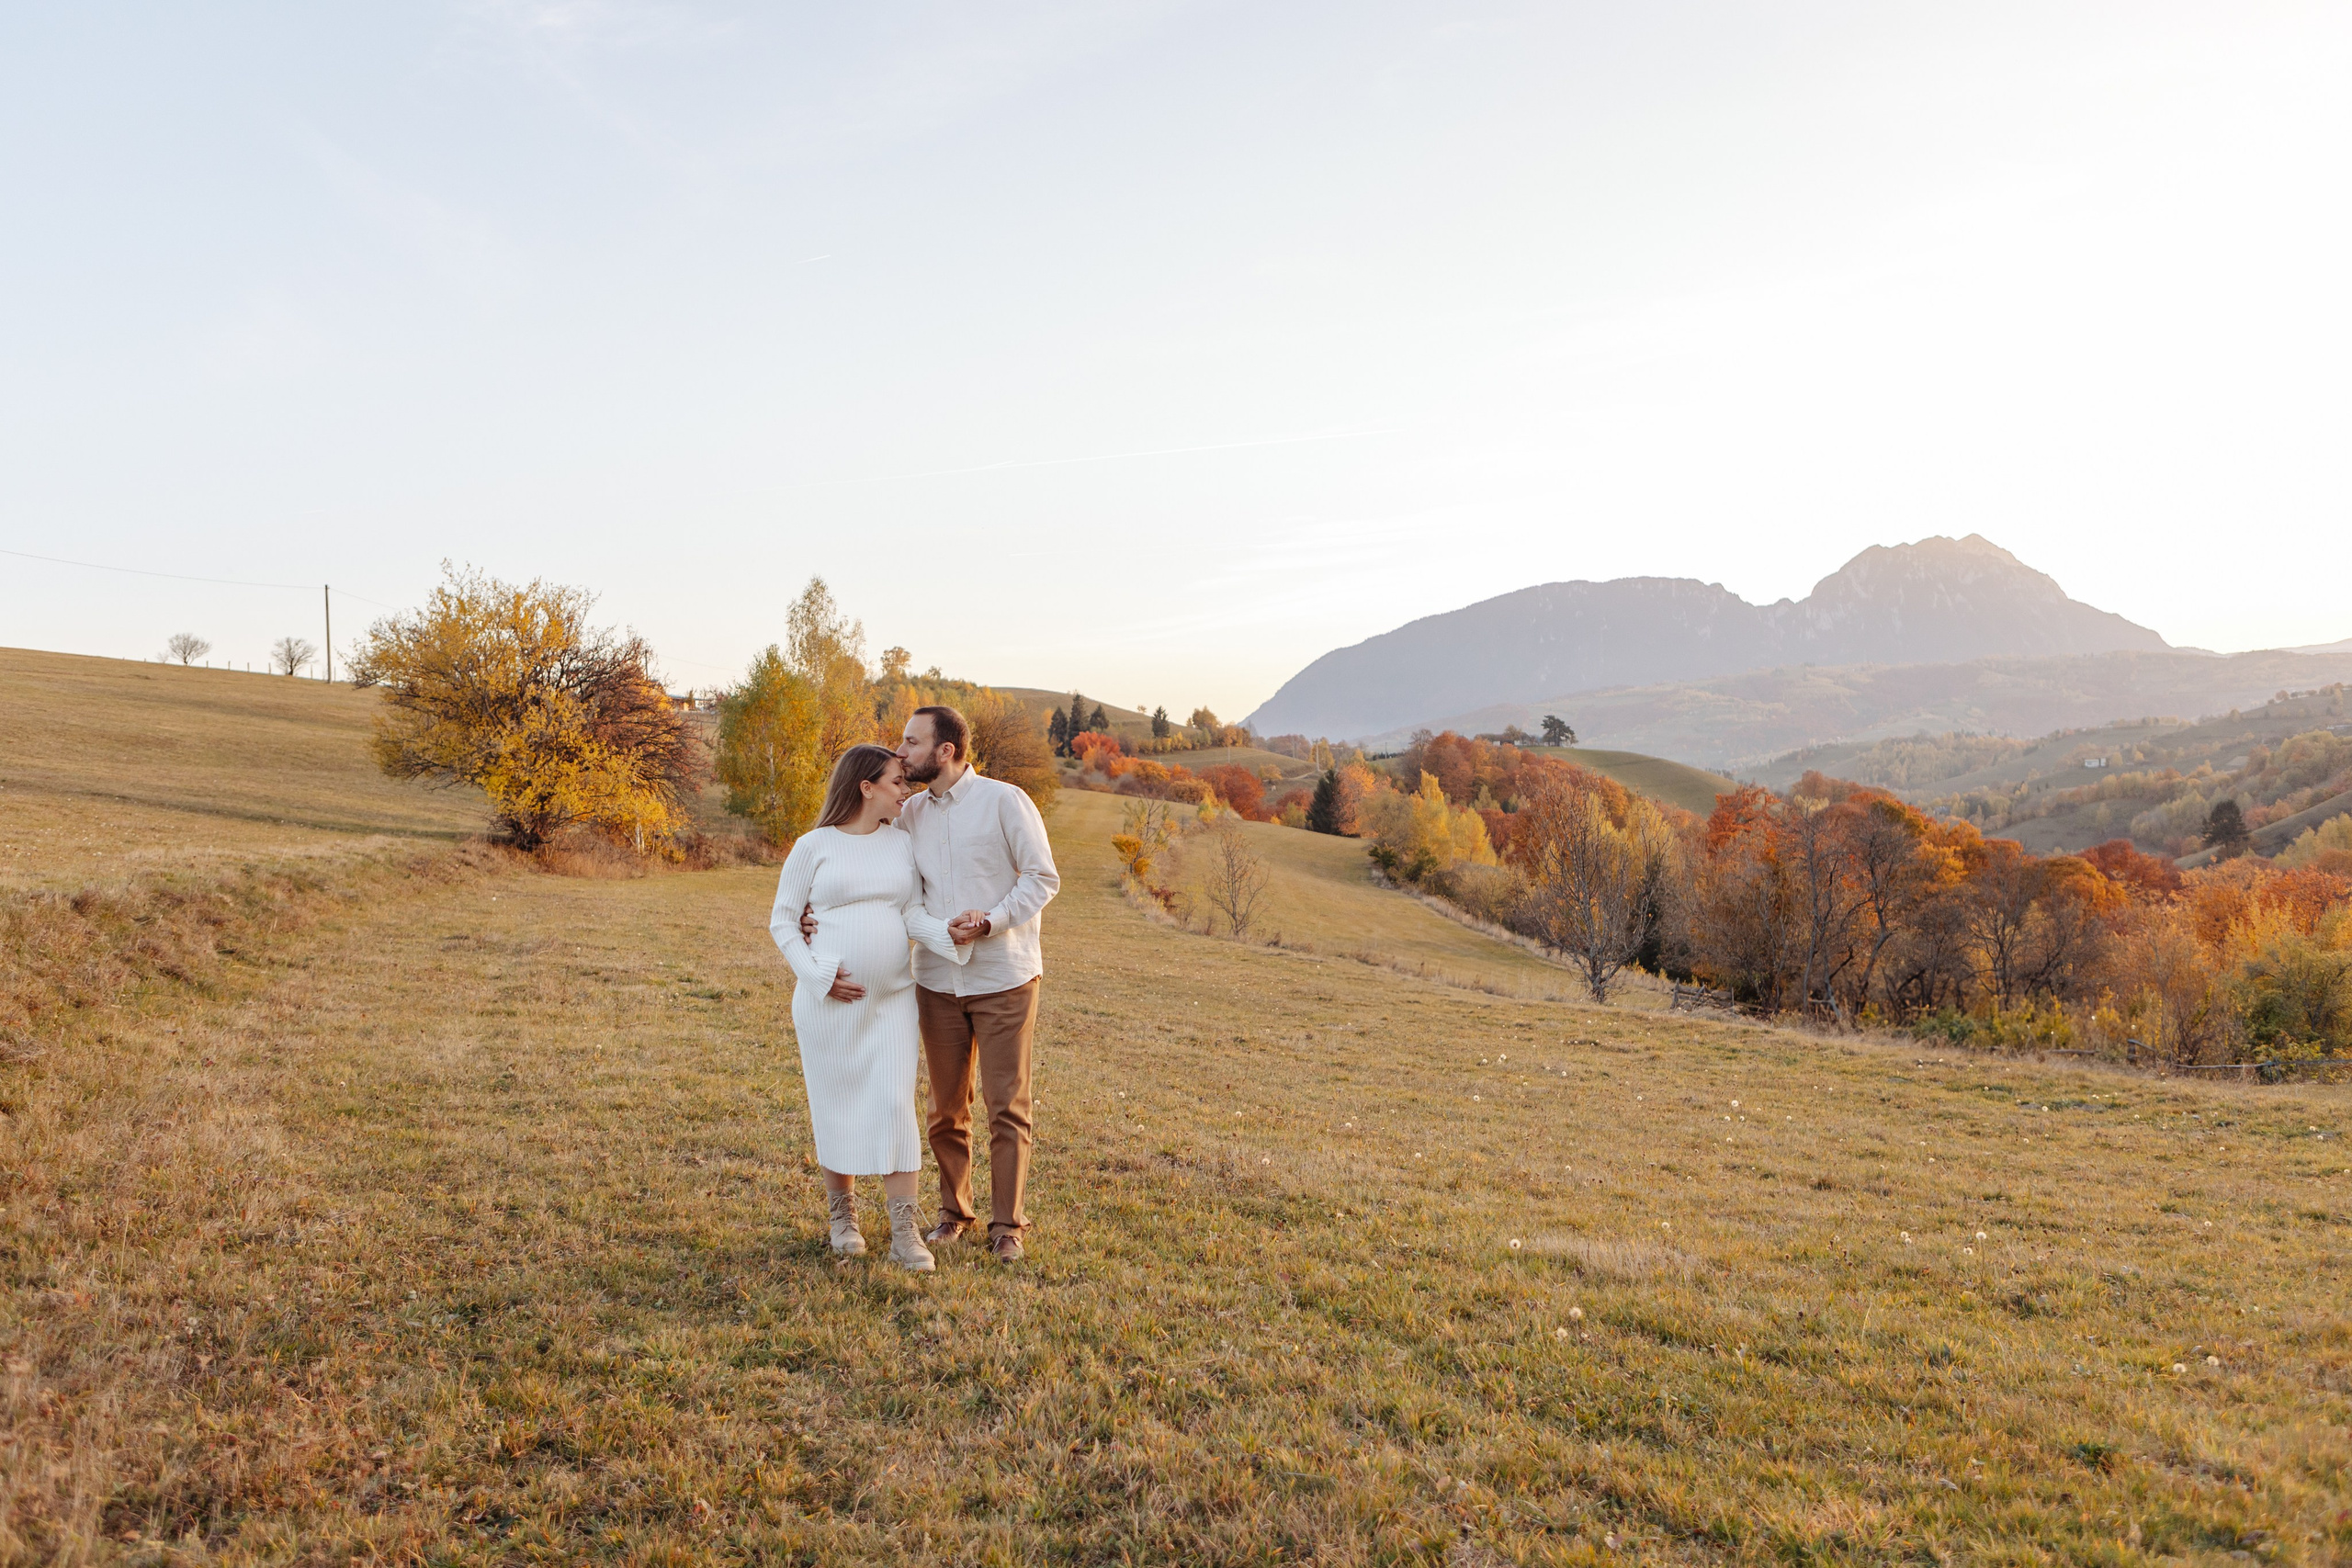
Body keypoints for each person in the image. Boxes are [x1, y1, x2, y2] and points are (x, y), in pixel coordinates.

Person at [801, 704, 1059, 1261]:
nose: (901, 752)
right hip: (936, 979)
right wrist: (814, 916)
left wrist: (990, 921)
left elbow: (1043, 878)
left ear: (945, 751)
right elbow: (864, 868)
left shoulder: (1004, 800)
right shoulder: (908, 812)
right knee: (946, 1108)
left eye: (912, 743)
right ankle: (953, 1213)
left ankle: (1007, 1226)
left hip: (1003, 974)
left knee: (1006, 1105)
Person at [767, 743, 970, 1271]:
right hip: (828, 1006)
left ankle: (904, 1233)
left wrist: (952, 937)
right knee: (837, 1103)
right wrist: (819, 976)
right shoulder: (813, 847)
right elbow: (784, 922)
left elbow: (910, 912)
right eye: (897, 782)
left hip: (893, 1002)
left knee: (895, 1106)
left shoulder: (899, 845)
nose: (907, 790)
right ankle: (843, 1218)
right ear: (867, 787)